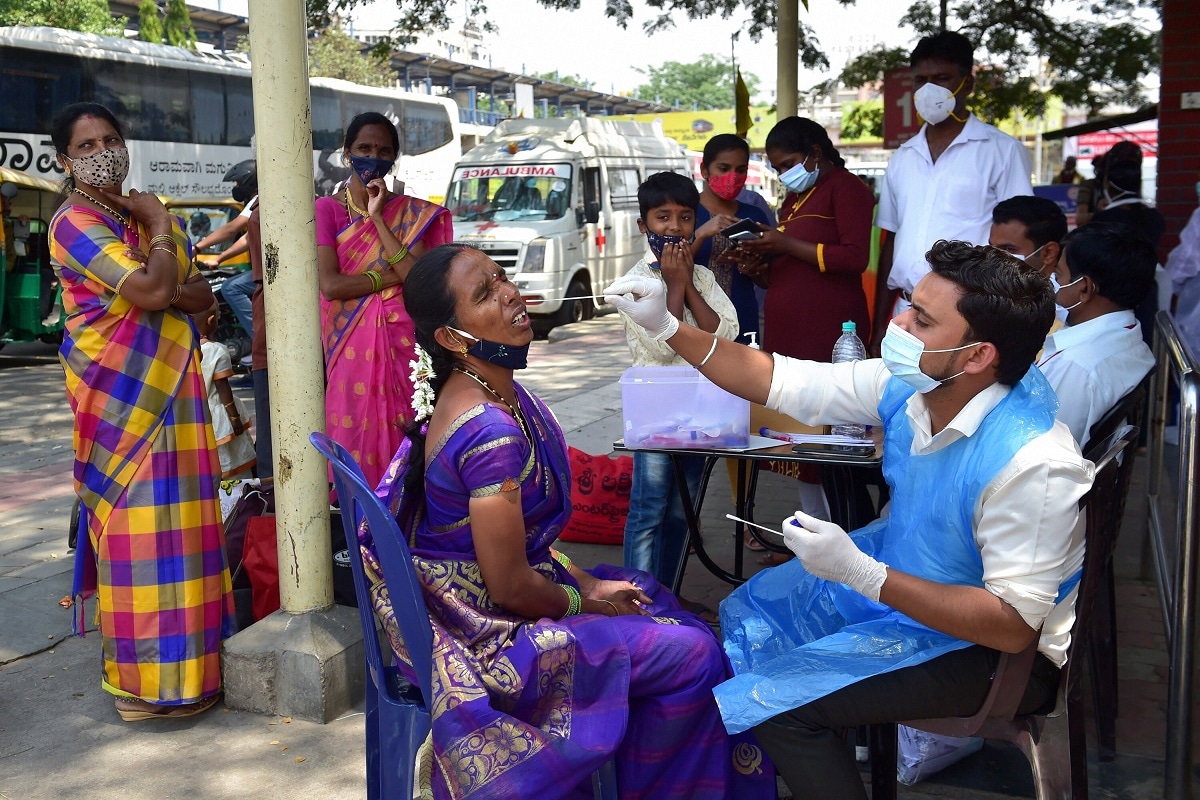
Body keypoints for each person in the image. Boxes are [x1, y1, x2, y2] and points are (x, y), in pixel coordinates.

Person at [604, 239, 1092, 800]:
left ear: (977, 355)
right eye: (909, 305)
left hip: (998, 658)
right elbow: (776, 379)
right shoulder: (912, 384)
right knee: (751, 613)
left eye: (922, 320)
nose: (899, 323)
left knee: (778, 704)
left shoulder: (1034, 461)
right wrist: (668, 327)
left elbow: (1011, 624)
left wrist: (862, 574)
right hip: (918, 587)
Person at [356, 242, 774, 799]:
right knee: (693, 654)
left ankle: (642, 776)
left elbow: (525, 553)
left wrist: (590, 585)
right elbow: (509, 586)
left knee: (648, 591)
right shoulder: (489, 431)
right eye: (484, 294)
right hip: (491, 632)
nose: (509, 294)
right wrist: (588, 602)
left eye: (501, 278)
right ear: (453, 339)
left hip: (489, 597)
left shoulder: (491, 392)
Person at [47, 102, 234, 721]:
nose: (103, 152)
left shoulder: (150, 218)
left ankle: (199, 677)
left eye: (111, 139)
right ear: (64, 160)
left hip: (176, 396)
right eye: (87, 145)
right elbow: (156, 290)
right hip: (119, 402)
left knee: (190, 531)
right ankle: (145, 689)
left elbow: (200, 297)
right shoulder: (75, 223)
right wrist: (157, 234)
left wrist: (161, 275)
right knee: (140, 541)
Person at [738, 116, 876, 540]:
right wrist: (757, 265)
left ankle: (849, 541)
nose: (784, 174)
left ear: (816, 153)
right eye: (777, 167)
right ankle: (813, 538)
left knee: (829, 434)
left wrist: (785, 243)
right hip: (790, 330)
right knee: (800, 437)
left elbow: (854, 257)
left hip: (830, 331)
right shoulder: (795, 200)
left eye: (788, 164)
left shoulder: (847, 189)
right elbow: (790, 271)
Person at [871, 30, 1033, 353]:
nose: (929, 89)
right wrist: (877, 329)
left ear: (967, 84)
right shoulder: (902, 158)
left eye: (942, 78)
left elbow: (1020, 245)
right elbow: (891, 243)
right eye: (921, 80)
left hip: (969, 316)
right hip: (905, 312)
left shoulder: (1002, 151)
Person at [617, 171, 739, 596]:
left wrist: (687, 287)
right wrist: (671, 286)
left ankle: (668, 596)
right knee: (649, 509)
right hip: (654, 414)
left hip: (701, 413)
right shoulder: (633, 284)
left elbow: (725, 337)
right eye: (662, 217)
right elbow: (662, 347)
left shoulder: (702, 278)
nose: (674, 227)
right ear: (643, 225)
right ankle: (638, 601)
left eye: (685, 218)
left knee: (682, 511)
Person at [317, 111, 452, 490]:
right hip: (348, 345)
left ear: (393, 158)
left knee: (407, 432)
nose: (373, 158)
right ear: (347, 153)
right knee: (352, 433)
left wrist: (377, 219)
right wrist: (388, 277)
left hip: (404, 345)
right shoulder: (327, 210)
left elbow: (417, 281)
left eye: (383, 151)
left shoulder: (411, 213)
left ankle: (403, 520)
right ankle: (358, 522)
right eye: (364, 148)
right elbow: (331, 285)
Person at [1039, 222, 1156, 444]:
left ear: (1084, 288)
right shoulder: (1129, 333)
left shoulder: (1077, 367)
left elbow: (1040, 449)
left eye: (1058, 275)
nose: (1053, 283)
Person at [690, 133, 772, 345]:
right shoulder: (684, 213)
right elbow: (666, 270)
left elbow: (768, 280)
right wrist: (701, 234)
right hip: (692, 319)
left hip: (743, 317)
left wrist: (753, 269)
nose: (733, 177)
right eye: (724, 168)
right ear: (704, 170)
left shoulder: (754, 215)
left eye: (741, 170)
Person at [195, 160, 259, 354]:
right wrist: (219, 258)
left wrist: (197, 248)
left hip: (271, 271)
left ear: (249, 181)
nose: (235, 187)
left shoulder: (258, 200)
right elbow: (248, 239)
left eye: (237, 183)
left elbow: (232, 229)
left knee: (231, 288)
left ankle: (259, 337)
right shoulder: (257, 203)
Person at [195, 304, 257, 478]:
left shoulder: (185, 349)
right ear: (211, 320)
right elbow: (223, 386)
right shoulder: (216, 351)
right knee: (234, 460)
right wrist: (234, 417)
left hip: (197, 413)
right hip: (220, 416)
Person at [988, 195, 1068, 324]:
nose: (993, 256)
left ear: (1049, 253)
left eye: (1008, 249)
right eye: (991, 247)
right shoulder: (991, 294)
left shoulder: (1062, 310)